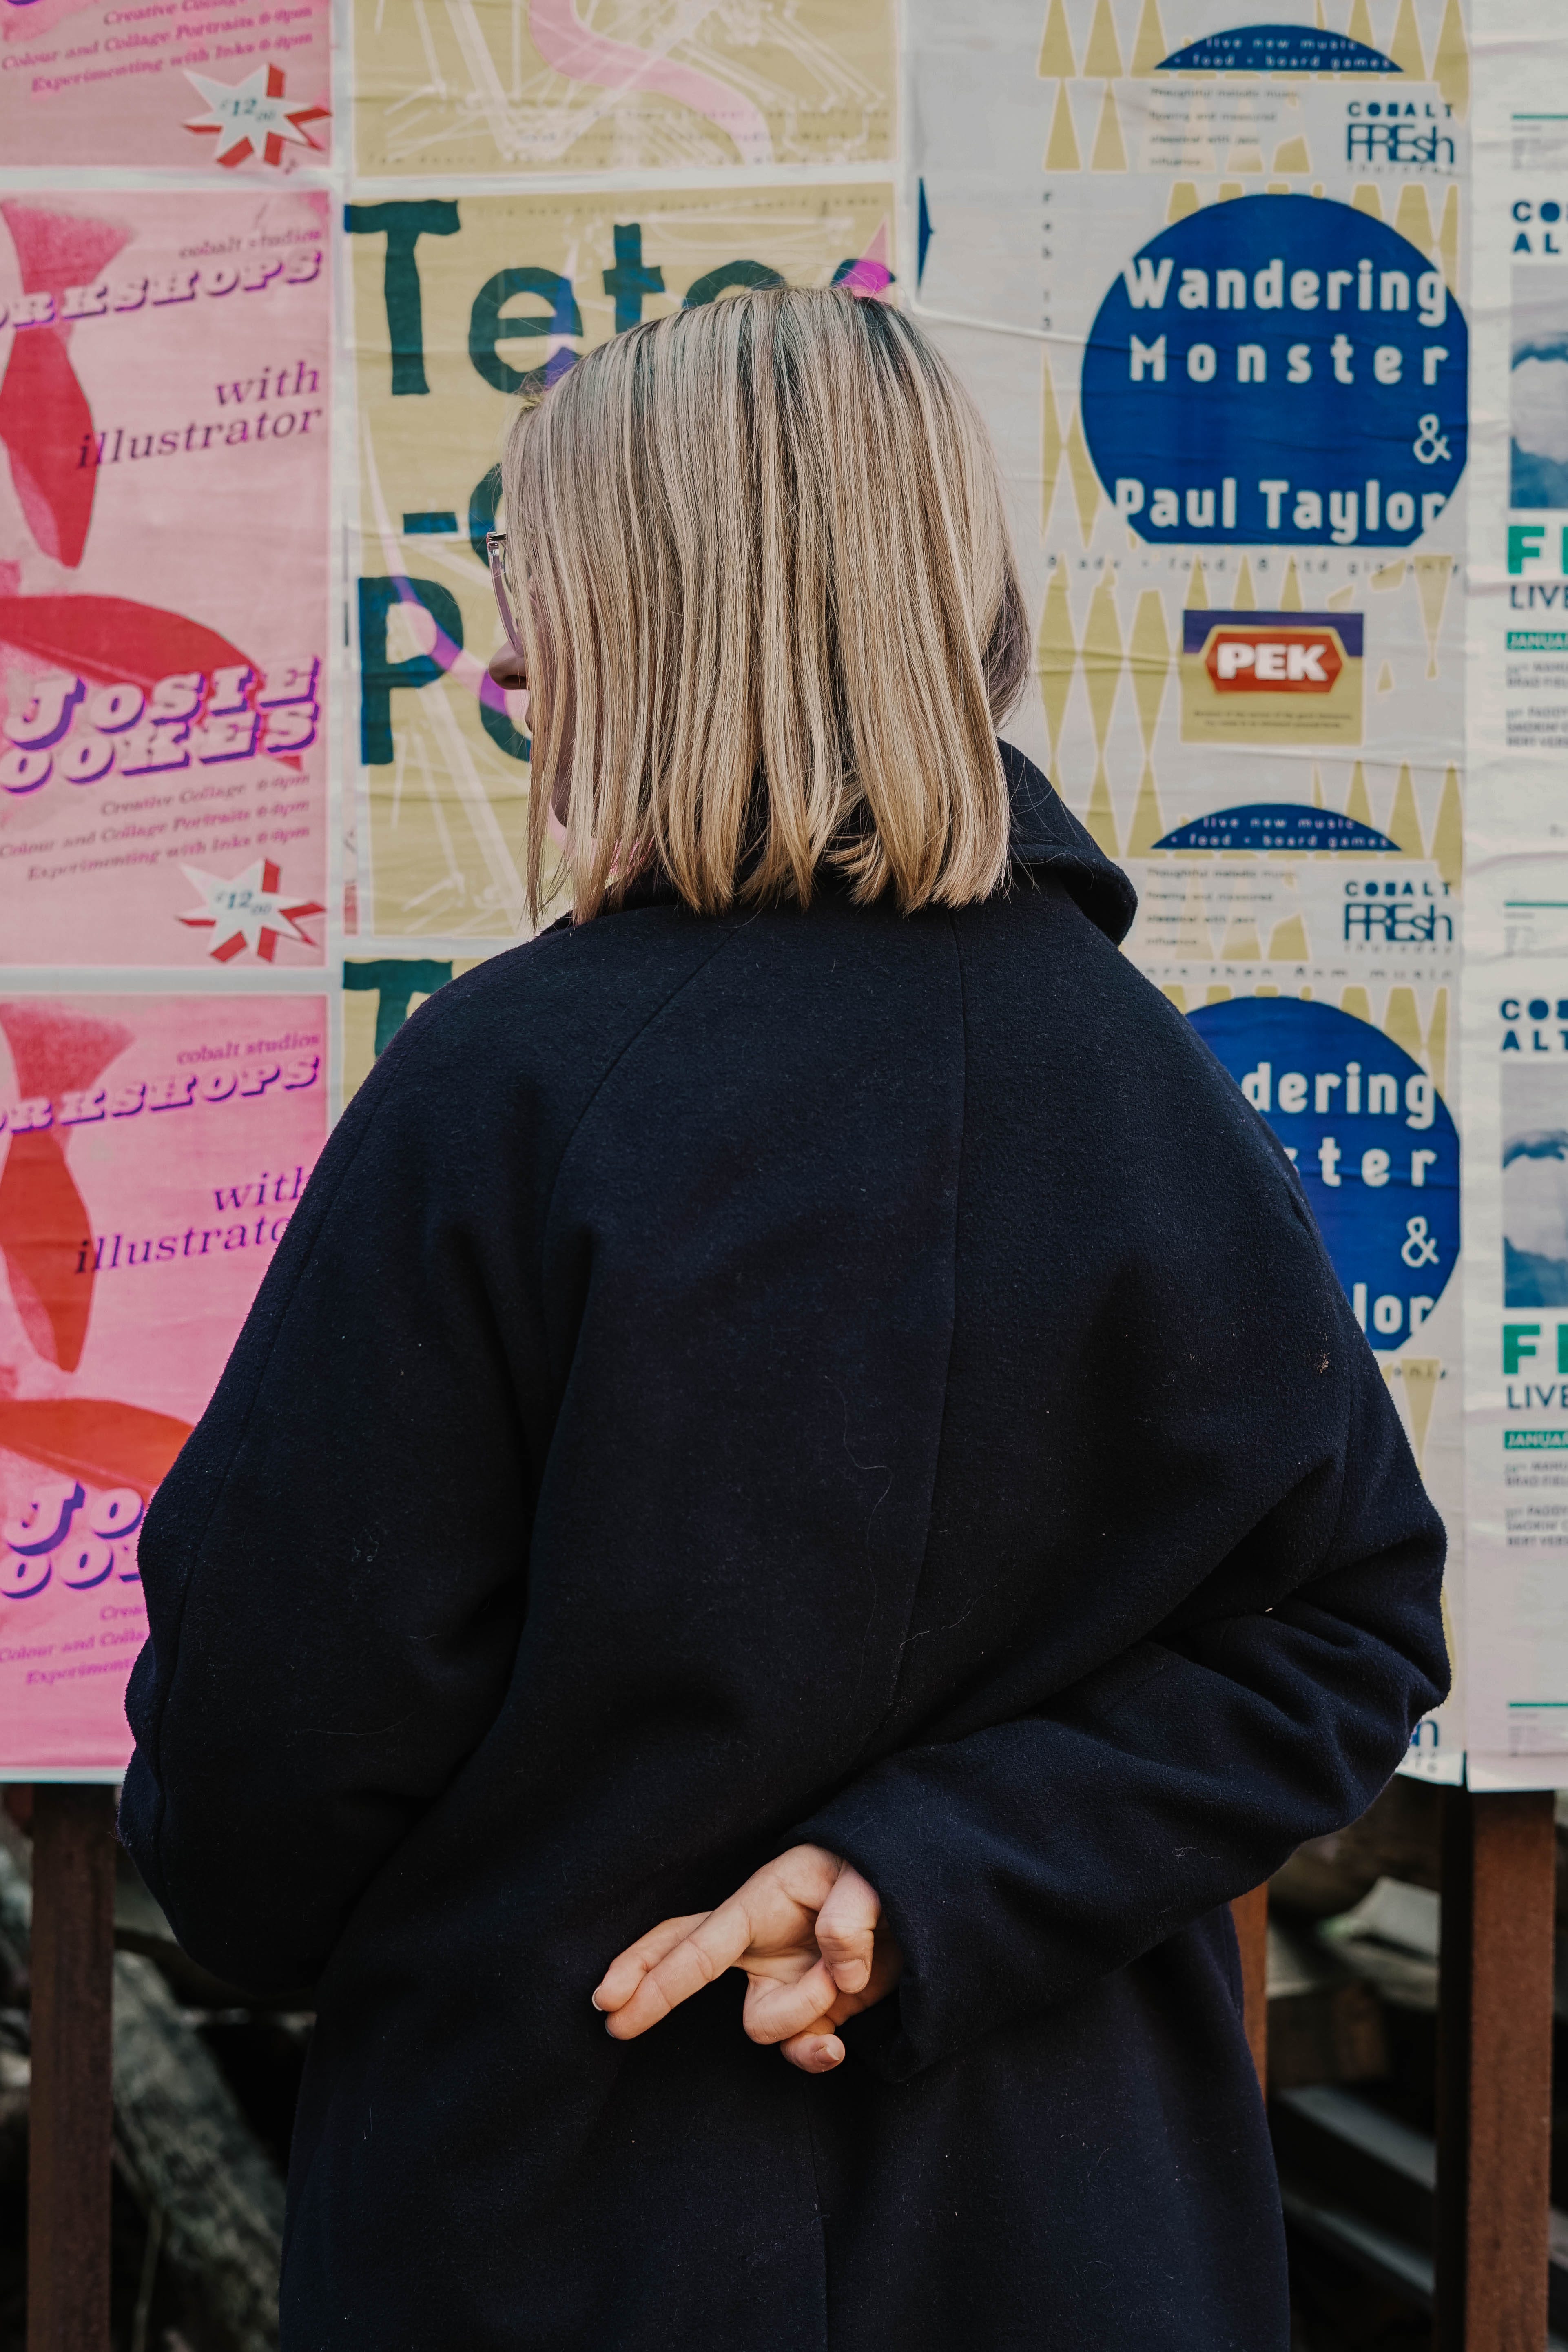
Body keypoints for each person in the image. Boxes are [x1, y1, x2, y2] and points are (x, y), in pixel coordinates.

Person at [120, 287, 1447, 2352]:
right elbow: (1343, 1631)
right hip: (1076, 2242)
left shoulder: (502, 1094)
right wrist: (928, 1873)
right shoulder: (1143, 1085)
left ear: (660, 611)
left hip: (558, 2225)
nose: (510, 655)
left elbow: (264, 1792)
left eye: (525, 576)